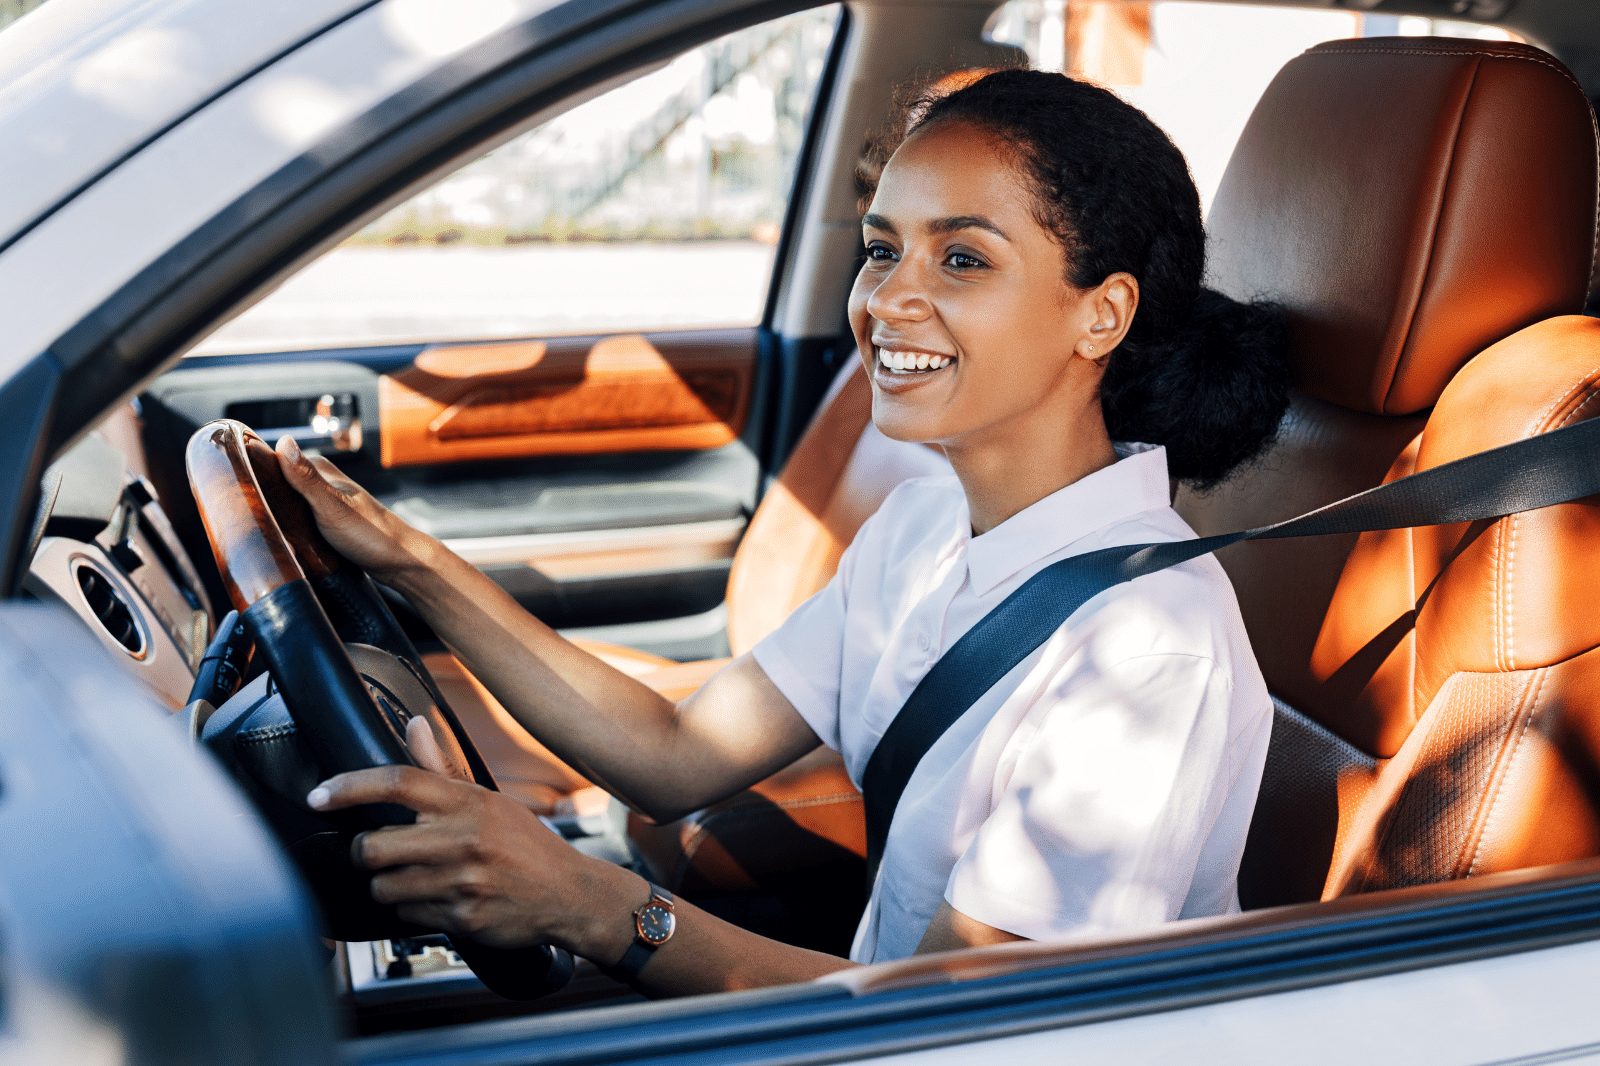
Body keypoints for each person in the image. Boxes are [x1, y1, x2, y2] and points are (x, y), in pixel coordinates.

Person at [284, 68, 1289, 995]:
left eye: (962, 258)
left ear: (1102, 315)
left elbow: (963, 1017)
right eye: (882, 249)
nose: (887, 299)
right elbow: (675, 752)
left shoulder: (1146, 646)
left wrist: (587, 902)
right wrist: (407, 561)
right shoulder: (922, 526)